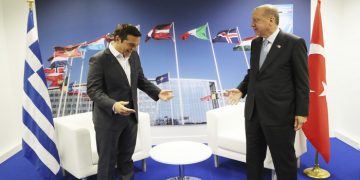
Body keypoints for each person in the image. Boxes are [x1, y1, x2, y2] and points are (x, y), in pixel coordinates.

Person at [227, 4, 309, 180]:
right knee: (254, 159)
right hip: (253, 112)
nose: (252, 25)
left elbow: (302, 82)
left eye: (256, 20)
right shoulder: (256, 43)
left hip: (280, 115)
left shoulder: (294, 43)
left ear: (271, 19)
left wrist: (302, 112)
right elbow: (253, 74)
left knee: (283, 161)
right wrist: (241, 89)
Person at [87, 24, 173, 180]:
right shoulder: (99, 60)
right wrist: (114, 105)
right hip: (108, 120)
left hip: (130, 119)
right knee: (107, 163)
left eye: (136, 45)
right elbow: (94, 91)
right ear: (117, 39)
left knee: (126, 159)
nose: (133, 49)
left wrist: (158, 92)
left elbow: (140, 80)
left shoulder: (134, 56)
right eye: (131, 44)